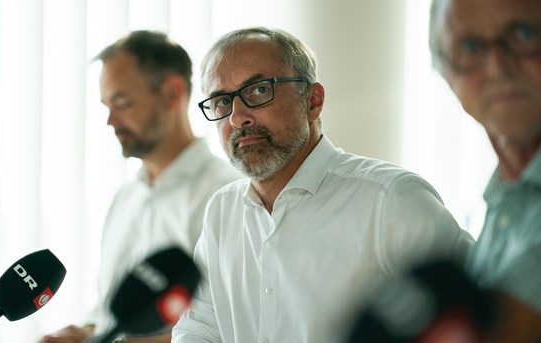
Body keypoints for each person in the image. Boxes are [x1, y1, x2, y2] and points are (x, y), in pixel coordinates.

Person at [171, 27, 475, 342]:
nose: (237, 117)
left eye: (259, 90)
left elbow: (481, 315)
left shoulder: (392, 199)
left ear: (313, 102)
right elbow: (199, 327)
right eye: (222, 101)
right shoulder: (222, 211)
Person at [39, 31, 241, 343]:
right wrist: (87, 333)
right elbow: (111, 314)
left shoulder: (228, 195)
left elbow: (228, 323)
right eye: (106, 104)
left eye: (121, 102)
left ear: (173, 93)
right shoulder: (125, 197)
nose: (110, 120)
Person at [429, 0, 541, 341]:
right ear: (446, 74)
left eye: (524, 33)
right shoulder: (503, 201)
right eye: (470, 47)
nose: (497, 67)